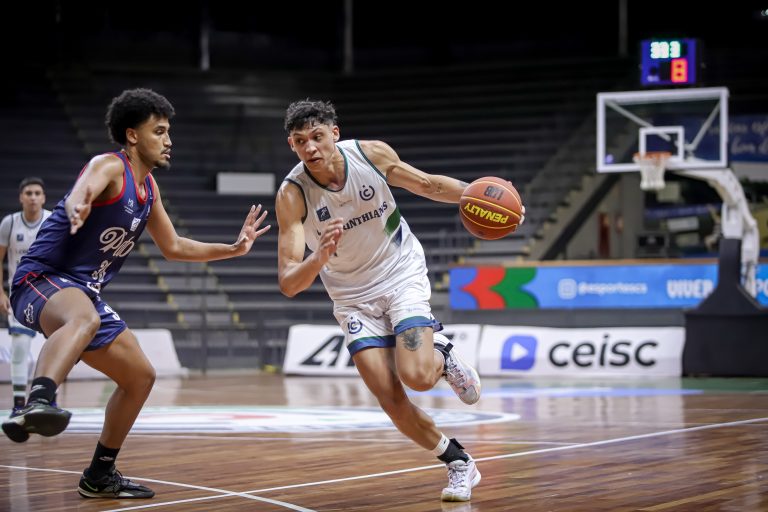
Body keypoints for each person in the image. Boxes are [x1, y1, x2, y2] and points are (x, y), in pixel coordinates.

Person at [1, 88, 271, 499]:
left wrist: (233, 249)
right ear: (132, 135)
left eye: (168, 132)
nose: (168, 140)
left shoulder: (149, 190)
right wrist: (78, 204)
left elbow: (174, 246)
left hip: (84, 290)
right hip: (40, 280)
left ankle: (99, 475)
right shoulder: (110, 165)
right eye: (159, 131)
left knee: (140, 377)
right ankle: (37, 401)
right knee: (84, 318)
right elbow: (85, 187)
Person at [276, 100, 498, 502]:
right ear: (292, 145)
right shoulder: (292, 195)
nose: (310, 147)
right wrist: (318, 258)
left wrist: (480, 198)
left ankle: (442, 356)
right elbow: (289, 283)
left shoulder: (370, 155)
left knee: (417, 376)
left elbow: (427, 185)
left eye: (317, 137)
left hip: (399, 273)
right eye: (300, 141)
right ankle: (459, 462)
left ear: (335, 134)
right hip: (351, 298)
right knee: (389, 398)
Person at [0, 177, 52, 415]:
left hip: (49, 293)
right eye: (28, 193)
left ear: (43, 198)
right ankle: (19, 404)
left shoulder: (51, 221)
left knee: (54, 347)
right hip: (19, 294)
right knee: (20, 346)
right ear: (21, 197)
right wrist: (1, 292)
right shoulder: (9, 223)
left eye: (37, 193)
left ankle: (47, 399)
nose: (33, 197)